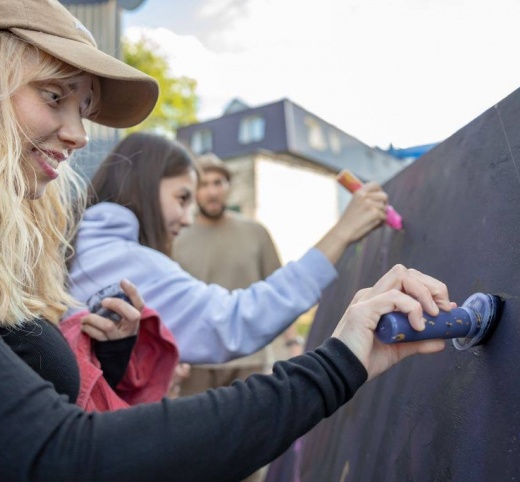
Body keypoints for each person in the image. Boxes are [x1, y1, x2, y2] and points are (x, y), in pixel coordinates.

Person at [0, 1, 455, 482]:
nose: (78, 134)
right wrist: (337, 364)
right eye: (54, 97)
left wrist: (107, 358)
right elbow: (63, 470)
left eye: (84, 109)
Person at [69, 132, 391, 368]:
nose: (187, 217)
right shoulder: (126, 259)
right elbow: (230, 320)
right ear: (145, 186)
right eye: (182, 199)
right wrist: (342, 233)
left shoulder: (87, 243)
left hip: (242, 367)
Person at [170, 153, 299, 482]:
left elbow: (280, 292)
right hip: (193, 366)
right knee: (192, 450)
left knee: (247, 448)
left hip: (249, 361)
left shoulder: (254, 232)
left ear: (228, 186)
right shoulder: (179, 235)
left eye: (218, 182)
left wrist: (292, 341)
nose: (212, 190)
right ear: (194, 190)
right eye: (204, 183)